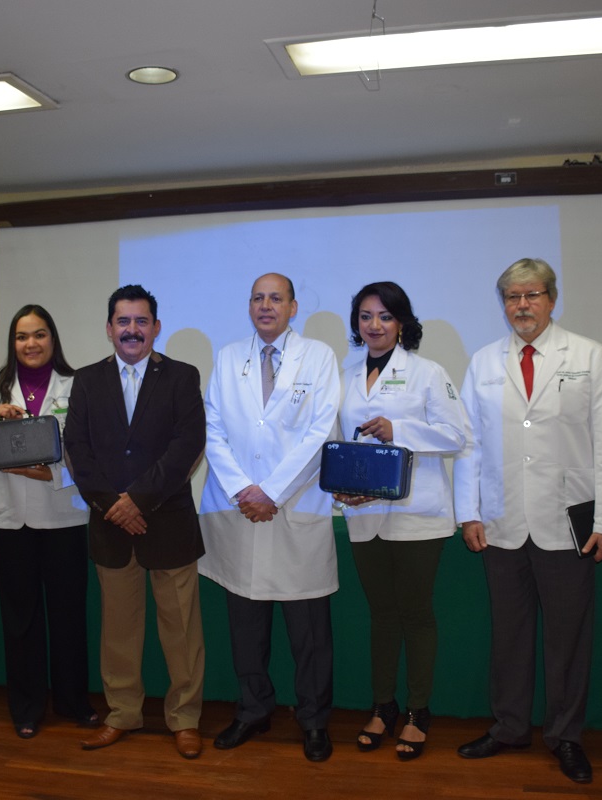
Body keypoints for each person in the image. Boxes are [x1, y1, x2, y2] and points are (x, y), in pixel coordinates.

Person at [453, 259, 602, 784]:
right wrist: (469, 512)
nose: (522, 305)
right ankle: (509, 726)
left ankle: (566, 736)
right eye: (513, 296)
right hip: (502, 521)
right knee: (509, 635)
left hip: (568, 522)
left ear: (552, 299)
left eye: (532, 295)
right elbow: (470, 445)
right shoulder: (484, 361)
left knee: (568, 639)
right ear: (503, 303)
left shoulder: (589, 355)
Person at [199, 273, 341, 762]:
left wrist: (272, 492)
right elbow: (212, 427)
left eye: (275, 298)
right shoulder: (228, 357)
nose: (265, 306)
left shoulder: (318, 357)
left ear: (293, 307)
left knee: (309, 633)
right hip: (239, 509)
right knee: (246, 627)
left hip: (295, 506)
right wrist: (245, 490)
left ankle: (314, 720)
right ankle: (253, 709)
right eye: (258, 298)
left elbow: (321, 431)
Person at [63, 285, 207, 760]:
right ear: (109, 329)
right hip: (111, 525)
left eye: (141, 321)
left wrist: (138, 502)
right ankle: (122, 713)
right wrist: (113, 506)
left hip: (167, 524)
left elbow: (187, 446)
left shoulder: (182, 377)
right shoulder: (87, 380)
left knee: (181, 632)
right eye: (123, 321)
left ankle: (185, 718)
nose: (132, 330)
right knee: (119, 632)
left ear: (156, 328)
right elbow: (77, 449)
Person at [334, 281, 467, 761]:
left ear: (402, 323)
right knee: (382, 615)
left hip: (417, 515)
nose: (375, 325)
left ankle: (418, 711)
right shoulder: (345, 376)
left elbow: (456, 435)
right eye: (366, 316)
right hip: (364, 513)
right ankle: (383, 706)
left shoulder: (428, 373)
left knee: (415, 614)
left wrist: (400, 430)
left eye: (385, 316)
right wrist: (341, 488)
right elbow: (340, 442)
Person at [0, 304, 95, 739]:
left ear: (53, 338)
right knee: (20, 618)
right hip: (7, 519)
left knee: (68, 614)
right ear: (12, 342)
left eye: (39, 335)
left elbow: (90, 450)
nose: (30, 344)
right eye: (21, 336)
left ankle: (73, 702)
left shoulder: (76, 385)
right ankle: (26, 708)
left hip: (62, 515)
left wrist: (52, 474)